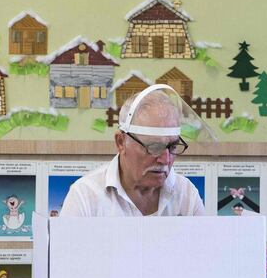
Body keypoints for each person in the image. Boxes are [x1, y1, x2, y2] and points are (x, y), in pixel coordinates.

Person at [60, 85, 212, 216]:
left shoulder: (186, 195)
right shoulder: (85, 197)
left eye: (172, 147)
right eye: (154, 147)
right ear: (121, 142)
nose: (165, 160)